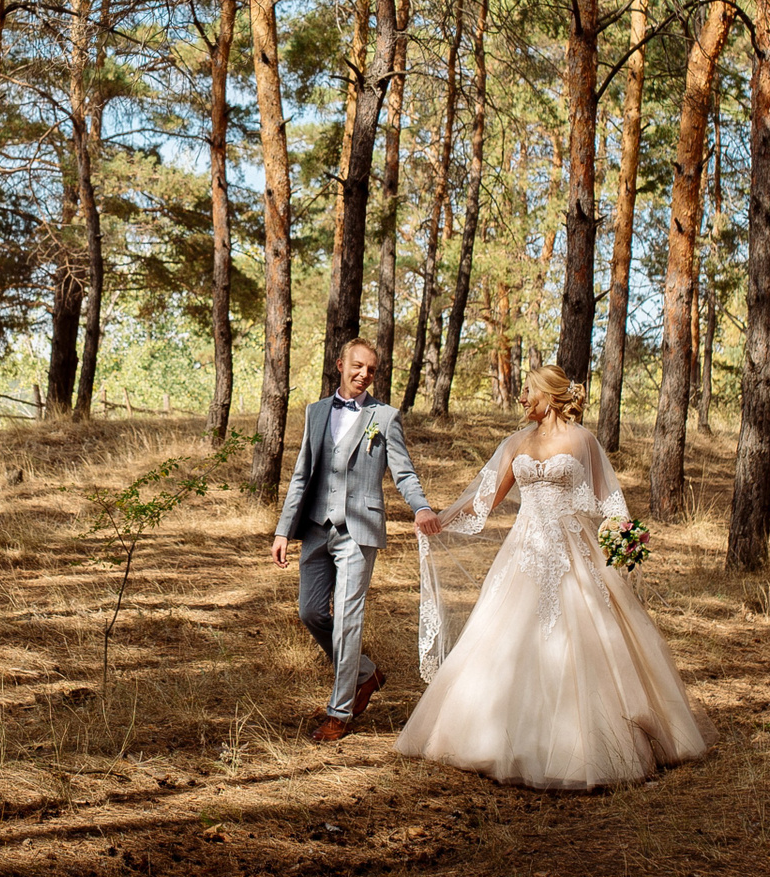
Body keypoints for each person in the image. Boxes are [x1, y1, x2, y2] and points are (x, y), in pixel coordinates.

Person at [397, 365, 714, 789]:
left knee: (587, 637)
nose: (521, 397)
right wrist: (441, 517)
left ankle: (594, 748)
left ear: (549, 394)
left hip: (573, 549)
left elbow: (609, 499)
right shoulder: (517, 442)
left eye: (528, 390)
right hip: (524, 551)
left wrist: (622, 532)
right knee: (505, 635)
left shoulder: (583, 440)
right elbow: (485, 498)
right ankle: (489, 738)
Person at [272, 337, 441, 742]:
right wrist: (282, 530)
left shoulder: (385, 417)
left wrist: (420, 507)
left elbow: (403, 472)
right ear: (340, 365)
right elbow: (301, 475)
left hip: (359, 530)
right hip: (316, 527)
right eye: (358, 366)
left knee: (348, 619)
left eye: (371, 370)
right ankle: (365, 674)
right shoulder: (315, 412)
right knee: (311, 612)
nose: (364, 375)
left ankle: (340, 711)